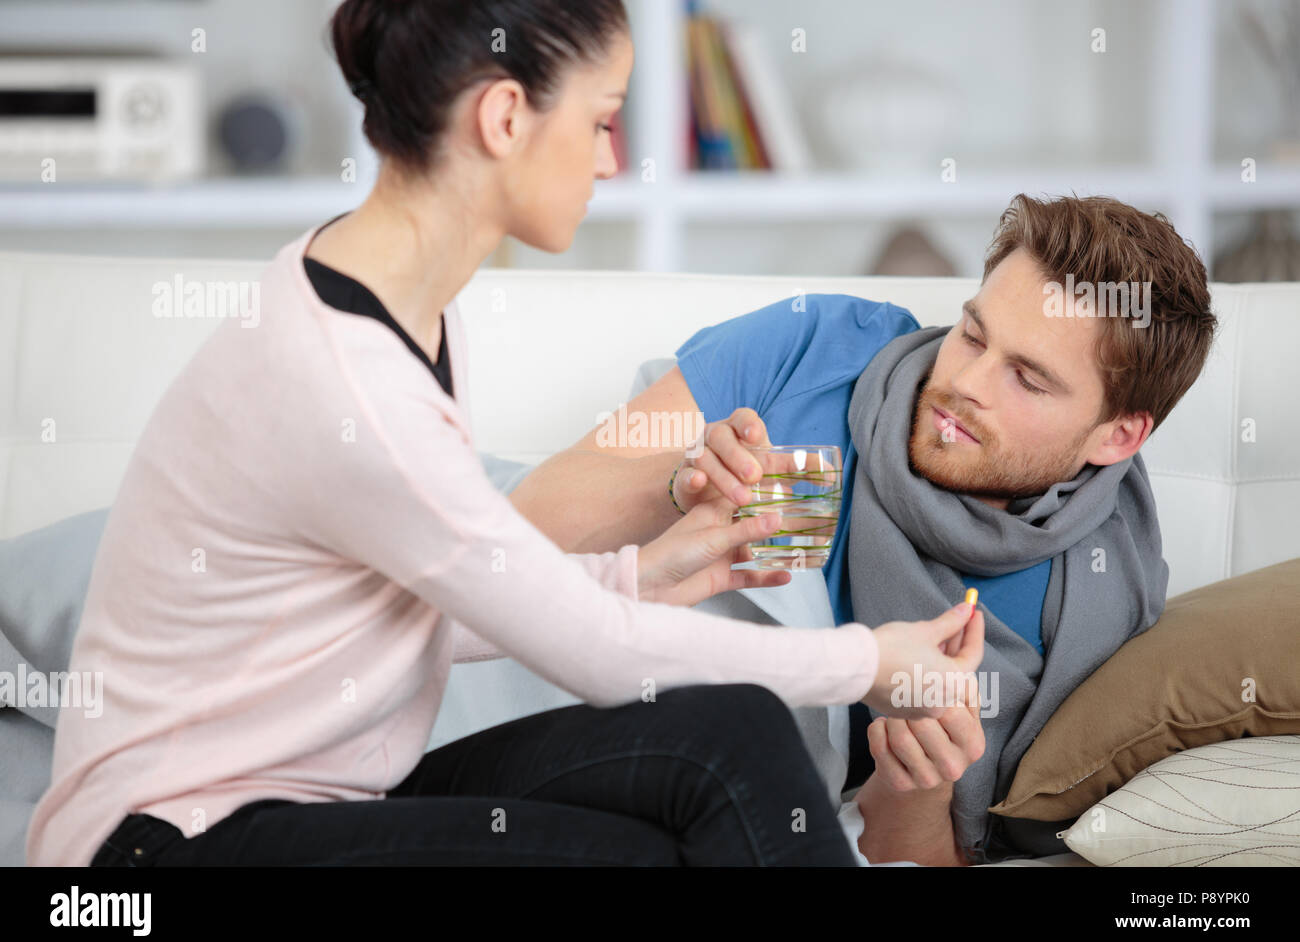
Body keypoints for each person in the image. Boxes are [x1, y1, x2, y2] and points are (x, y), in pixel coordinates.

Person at [24, 0, 984, 869]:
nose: (613, 162)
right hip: (162, 850)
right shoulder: (345, 381)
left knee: (735, 739)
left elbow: (438, 597)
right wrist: (871, 661)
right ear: (505, 118)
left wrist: (643, 575)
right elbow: (599, 655)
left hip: (313, 794)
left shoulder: (404, 306)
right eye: (602, 122)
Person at [513, 194, 1217, 864]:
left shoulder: (1087, 609)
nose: (969, 381)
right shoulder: (815, 348)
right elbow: (523, 525)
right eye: (973, 333)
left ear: (1118, 437)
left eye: (1028, 380)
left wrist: (916, 782)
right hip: (496, 651)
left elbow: (908, 854)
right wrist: (679, 482)